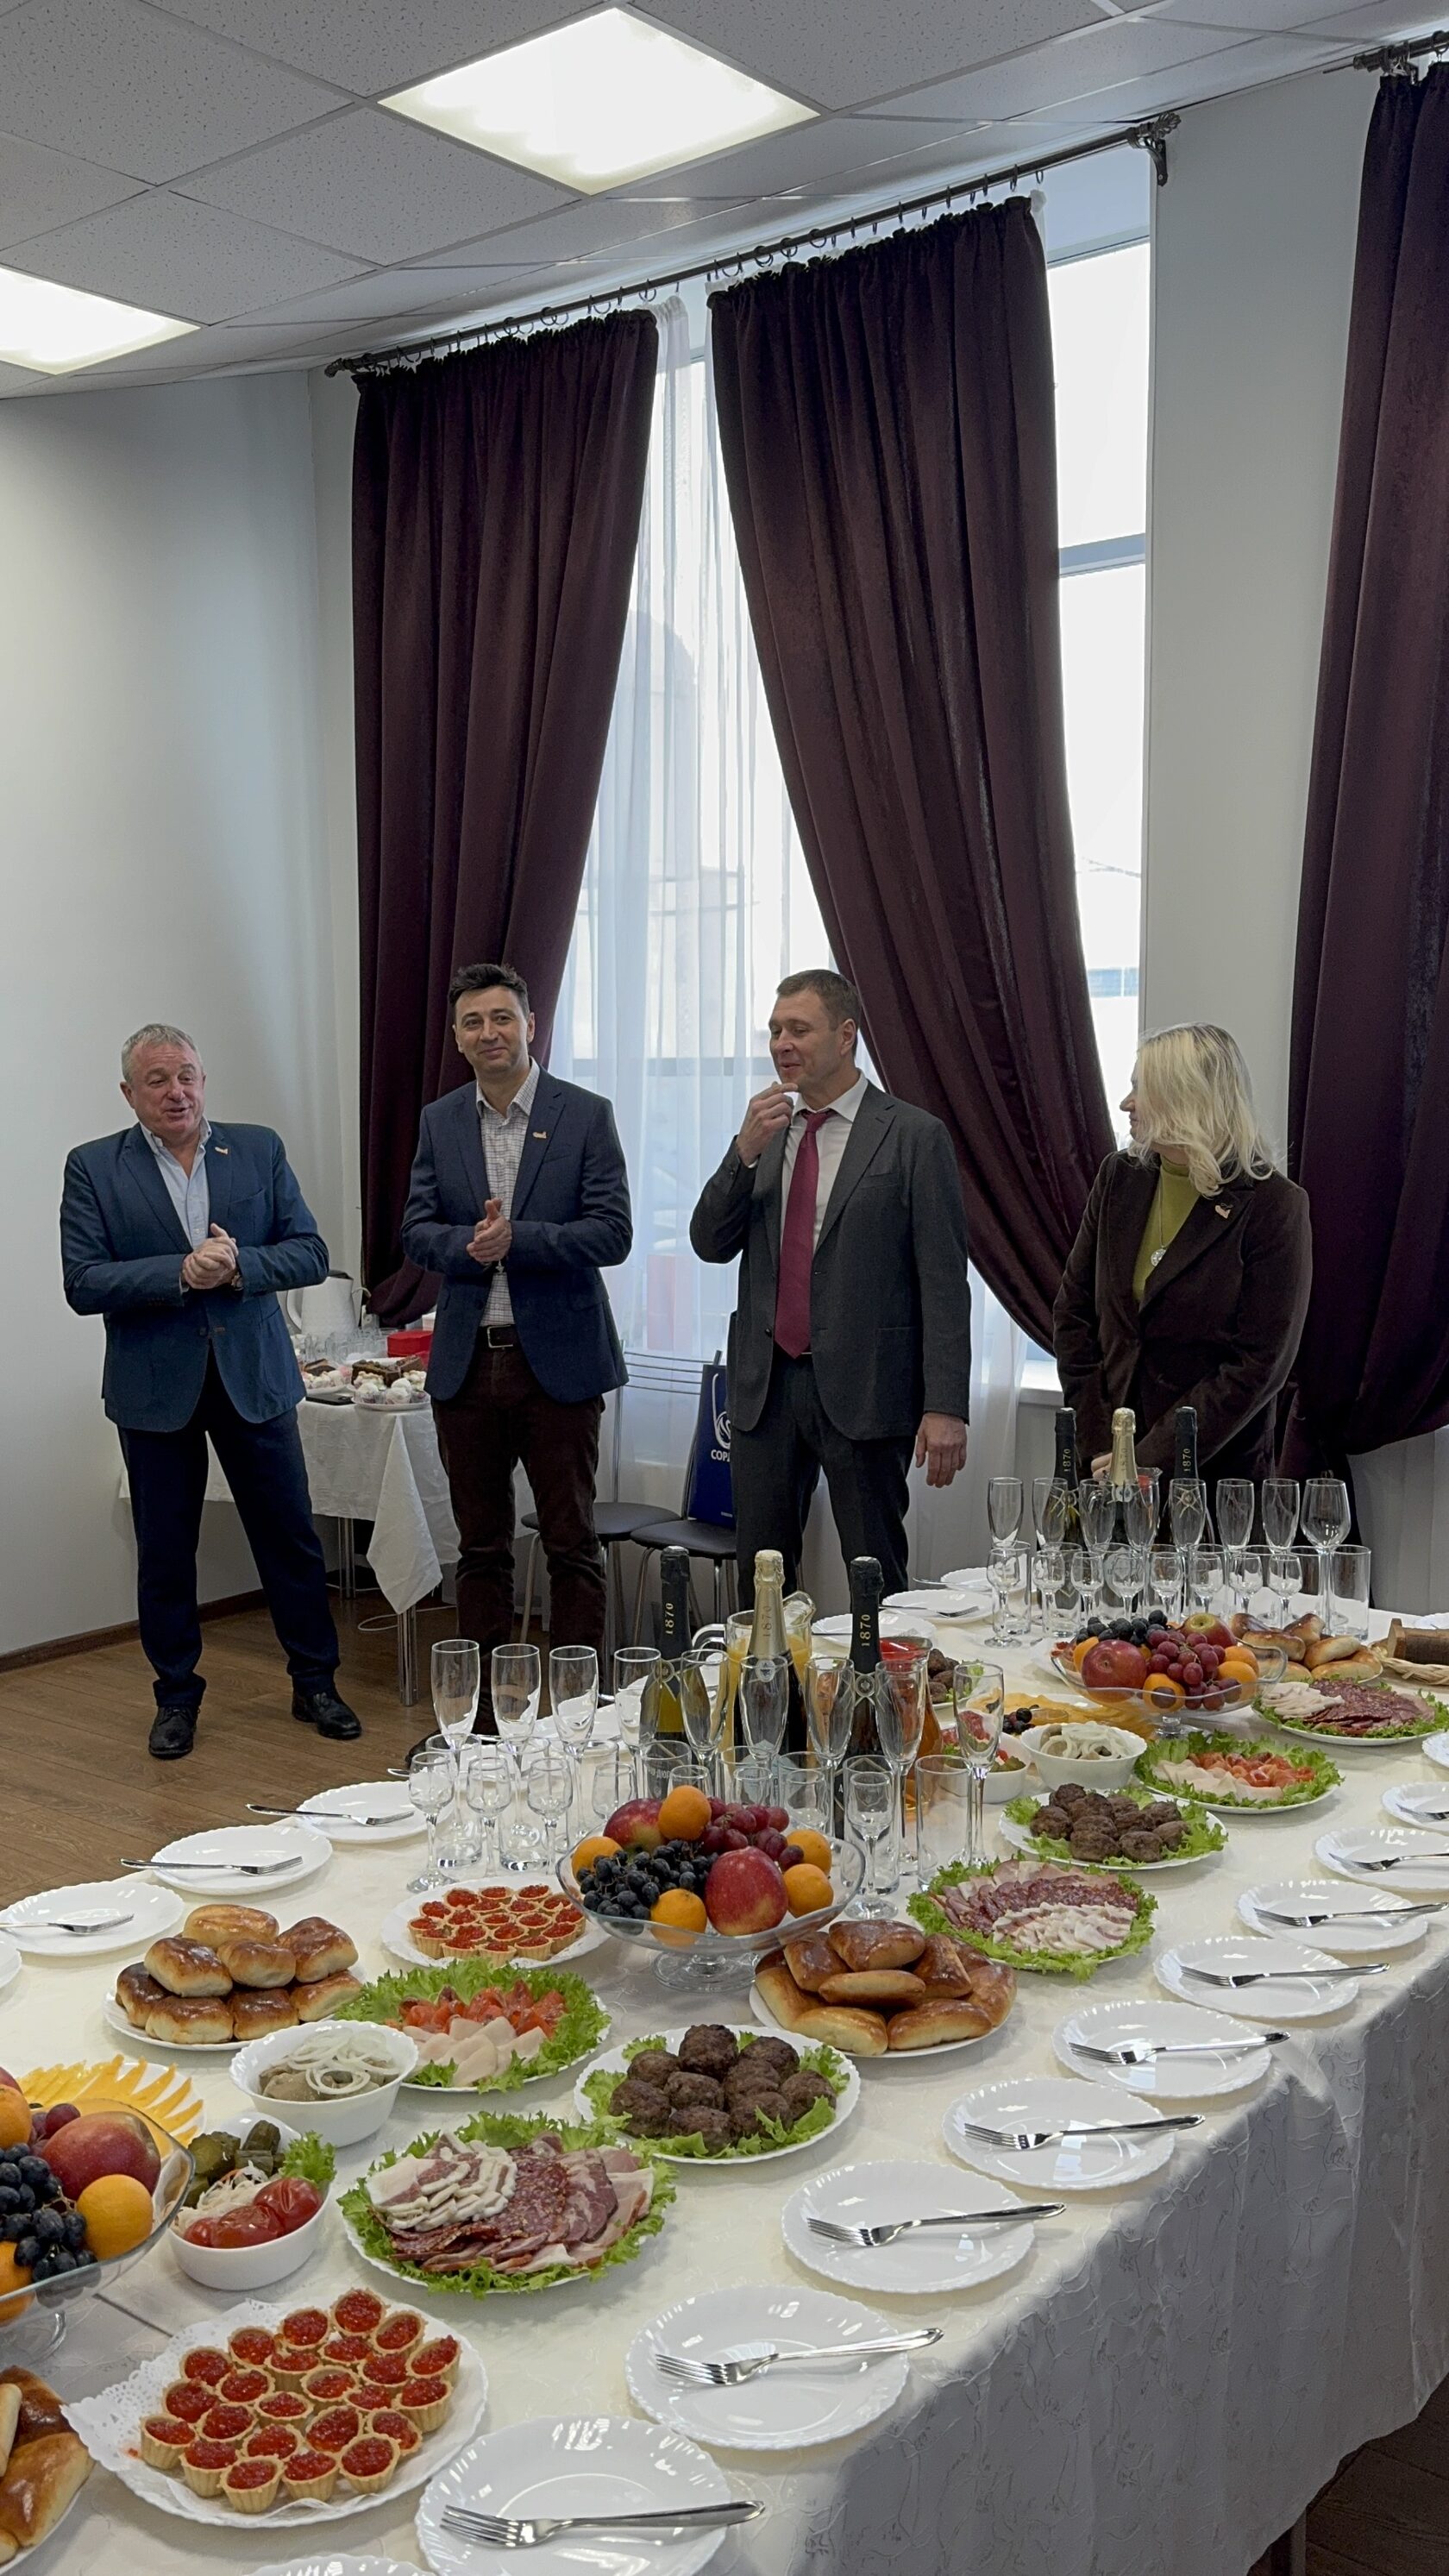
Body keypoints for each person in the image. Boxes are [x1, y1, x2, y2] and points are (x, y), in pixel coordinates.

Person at [60, 1025, 359, 1762]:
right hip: (154, 1389)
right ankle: (175, 1698)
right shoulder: (94, 1166)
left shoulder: (257, 1149)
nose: (177, 1092)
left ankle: (315, 1683)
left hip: (254, 1378)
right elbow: (83, 1282)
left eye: (187, 1075)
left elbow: (310, 1252)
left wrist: (237, 1266)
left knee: (289, 1539)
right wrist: (179, 1272)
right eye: (157, 1080)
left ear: (204, 1079)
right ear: (129, 1093)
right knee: (165, 1552)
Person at [689, 970, 970, 1599]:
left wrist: (946, 1405)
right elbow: (709, 1242)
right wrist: (742, 1152)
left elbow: (945, 1282)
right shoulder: (767, 1131)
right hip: (765, 1387)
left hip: (866, 1389)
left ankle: (880, 1670)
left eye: (799, 1029)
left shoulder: (913, 1135)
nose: (781, 1044)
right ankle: (774, 1673)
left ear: (845, 1036)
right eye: (774, 1031)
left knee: (875, 1577)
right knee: (762, 1581)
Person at [401, 964, 631, 1731]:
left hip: (557, 1363)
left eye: (502, 1018)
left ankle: (577, 1718)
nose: (489, 1033)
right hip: (469, 1362)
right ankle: (486, 1722)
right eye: (473, 1022)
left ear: (531, 1025)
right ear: (457, 1037)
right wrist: (465, 1245)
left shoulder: (583, 1114)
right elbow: (415, 1230)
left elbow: (612, 1232)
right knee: (480, 1548)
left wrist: (518, 1239)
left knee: (570, 1542)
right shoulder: (440, 1121)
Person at [1053, 1022, 1312, 1482]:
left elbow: (1259, 1365)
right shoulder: (1119, 1177)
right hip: (1101, 1470)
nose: (1126, 1103)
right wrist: (1103, 1447)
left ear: (1186, 1097)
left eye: (1141, 1088)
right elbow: (1073, 1313)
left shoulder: (1274, 1206)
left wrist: (1149, 1458)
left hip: (1212, 1479)